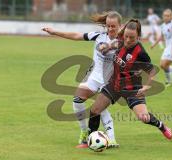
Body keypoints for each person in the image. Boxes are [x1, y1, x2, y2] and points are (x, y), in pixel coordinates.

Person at [42, 11, 121, 148]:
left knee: (99, 106)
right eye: (108, 26)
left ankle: (112, 139)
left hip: (111, 80)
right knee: (77, 100)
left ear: (120, 25)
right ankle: (84, 132)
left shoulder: (124, 41)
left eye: (113, 26)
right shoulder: (98, 36)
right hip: (94, 76)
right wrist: (55, 32)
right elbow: (77, 35)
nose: (110, 29)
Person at [88, 19, 172, 142]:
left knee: (143, 117)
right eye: (126, 36)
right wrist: (105, 47)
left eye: (131, 38)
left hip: (132, 89)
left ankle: (161, 126)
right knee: (94, 110)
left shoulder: (141, 52)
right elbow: (113, 45)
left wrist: (147, 86)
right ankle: (90, 140)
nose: (127, 40)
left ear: (138, 37)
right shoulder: (121, 41)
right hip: (115, 84)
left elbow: (152, 71)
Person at [151, 9, 172, 87]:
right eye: (165, 15)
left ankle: (169, 81)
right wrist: (154, 44)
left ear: (171, 17)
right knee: (162, 65)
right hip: (167, 48)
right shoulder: (162, 25)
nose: (166, 17)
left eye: (168, 16)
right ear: (163, 16)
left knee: (164, 64)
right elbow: (161, 36)